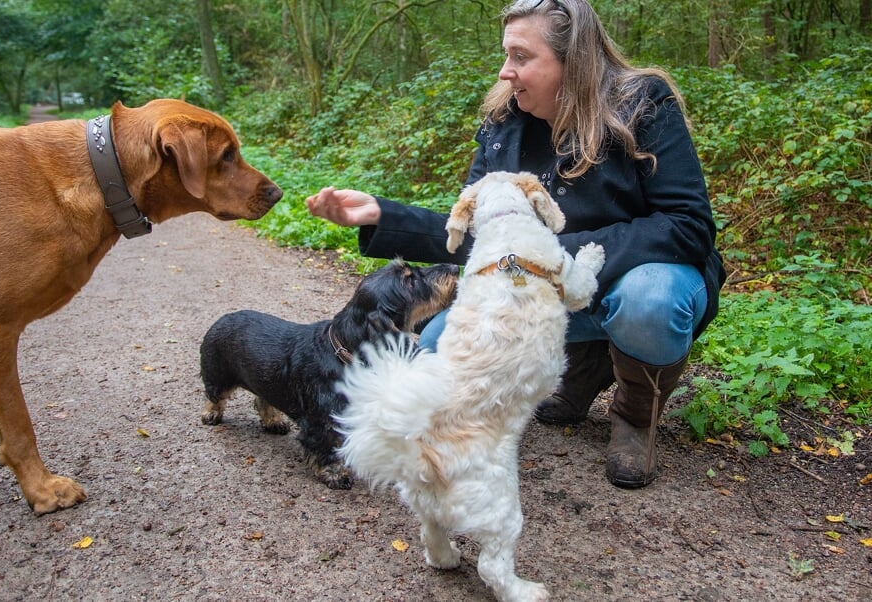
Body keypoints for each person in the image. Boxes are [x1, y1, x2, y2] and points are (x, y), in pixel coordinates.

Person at [306, 0, 725, 489]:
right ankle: (585, 367)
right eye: (506, 56)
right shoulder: (504, 123)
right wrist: (384, 214)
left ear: (575, 62)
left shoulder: (643, 106)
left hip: (633, 285)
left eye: (521, 57)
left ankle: (635, 416)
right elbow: (481, 243)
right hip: (540, 295)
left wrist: (548, 254)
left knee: (650, 300)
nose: (506, 72)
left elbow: (688, 224)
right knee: (439, 347)